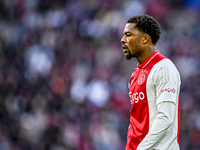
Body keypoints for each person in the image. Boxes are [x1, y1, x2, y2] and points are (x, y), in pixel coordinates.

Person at [121, 14, 181, 150]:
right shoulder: (135, 74)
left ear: (145, 39)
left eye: (128, 35)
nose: (123, 40)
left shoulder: (164, 67)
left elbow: (165, 118)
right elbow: (136, 121)